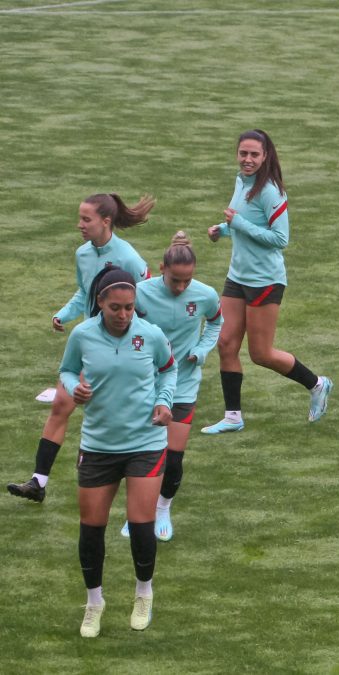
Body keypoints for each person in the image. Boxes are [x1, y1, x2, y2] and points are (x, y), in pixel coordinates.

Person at [7, 193, 153, 503]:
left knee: (110, 415)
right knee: (61, 406)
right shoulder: (83, 254)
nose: (80, 225)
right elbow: (84, 293)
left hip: (119, 349)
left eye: (86, 219)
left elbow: (148, 298)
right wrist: (63, 314)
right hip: (90, 343)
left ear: (106, 221)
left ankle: (141, 481)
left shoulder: (128, 257)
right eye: (80, 218)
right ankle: (38, 482)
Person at [65, 269, 177, 637]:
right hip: (98, 445)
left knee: (141, 523)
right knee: (91, 527)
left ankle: (143, 593)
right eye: (116, 307)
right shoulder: (82, 335)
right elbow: (67, 370)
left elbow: (168, 369)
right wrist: (74, 387)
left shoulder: (151, 334)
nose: (124, 314)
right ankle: (94, 603)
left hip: (146, 442)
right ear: (100, 302)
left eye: (129, 307)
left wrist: (164, 401)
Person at [202, 129, 332, 434]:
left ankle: (317, 383)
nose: (247, 159)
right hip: (237, 276)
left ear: (265, 156)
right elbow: (246, 222)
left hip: (264, 281)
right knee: (226, 343)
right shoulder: (241, 181)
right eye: (243, 153)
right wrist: (223, 229)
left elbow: (279, 239)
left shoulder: (271, 191)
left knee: (261, 354)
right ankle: (233, 416)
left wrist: (237, 223)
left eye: (254, 154)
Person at [117, 232, 221, 541]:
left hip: (183, 384)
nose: (181, 287)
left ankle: (162, 509)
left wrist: (201, 350)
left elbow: (216, 322)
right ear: (162, 268)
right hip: (144, 384)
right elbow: (122, 324)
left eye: (187, 281)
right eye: (175, 280)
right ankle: (137, 513)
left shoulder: (205, 295)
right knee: (140, 454)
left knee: (173, 458)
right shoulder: (140, 293)